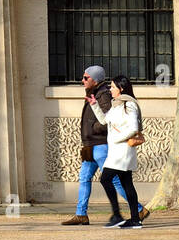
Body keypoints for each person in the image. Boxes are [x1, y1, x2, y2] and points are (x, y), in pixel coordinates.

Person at [62, 65, 131, 225]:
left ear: (96, 80)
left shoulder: (103, 95)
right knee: (84, 178)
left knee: (113, 180)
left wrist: (94, 129)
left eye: (86, 78)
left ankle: (139, 209)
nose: (83, 80)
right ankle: (81, 214)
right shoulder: (94, 93)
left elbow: (108, 119)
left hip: (100, 145)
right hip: (91, 146)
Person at [88, 75, 145, 229]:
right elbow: (104, 121)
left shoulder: (129, 105)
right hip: (116, 152)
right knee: (127, 184)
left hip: (123, 152)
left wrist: (117, 139)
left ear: (121, 88)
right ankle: (135, 219)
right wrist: (94, 105)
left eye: (113, 87)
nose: (110, 89)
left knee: (105, 179)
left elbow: (133, 128)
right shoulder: (116, 105)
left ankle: (118, 215)